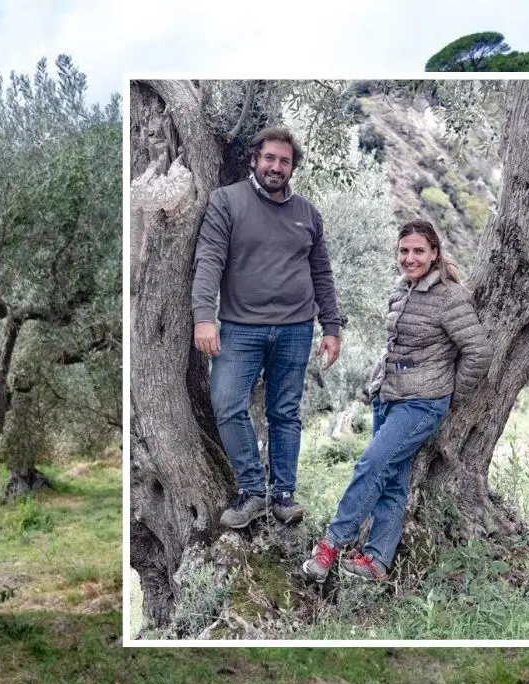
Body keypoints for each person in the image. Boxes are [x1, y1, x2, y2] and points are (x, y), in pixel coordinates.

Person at [303, 219, 492, 582]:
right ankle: (376, 562)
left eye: (418, 251)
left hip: (422, 403)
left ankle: (330, 546)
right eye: (404, 251)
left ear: (434, 253)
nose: (410, 258)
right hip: (388, 396)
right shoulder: (400, 290)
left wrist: (453, 394)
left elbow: (478, 352)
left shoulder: (449, 296)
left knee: (371, 464)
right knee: (392, 481)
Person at [191, 126, 343, 529]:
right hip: (240, 328)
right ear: (254, 159)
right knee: (226, 403)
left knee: (285, 412)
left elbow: (322, 273)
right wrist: (204, 317)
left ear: (293, 168)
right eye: (270, 158)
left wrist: (332, 327)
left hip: (296, 328)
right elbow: (209, 261)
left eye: (285, 161)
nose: (277, 167)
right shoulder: (226, 202)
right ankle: (252, 491)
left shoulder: (308, 214)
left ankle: (283, 496)